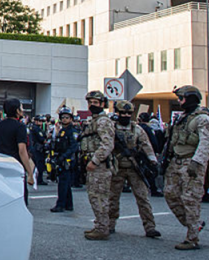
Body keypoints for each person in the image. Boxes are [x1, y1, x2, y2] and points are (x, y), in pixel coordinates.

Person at [162, 86, 209, 249]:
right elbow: (172, 139)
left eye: (182, 98)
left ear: (191, 98)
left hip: (191, 162)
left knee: (190, 199)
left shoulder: (202, 119)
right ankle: (194, 224)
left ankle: (192, 238)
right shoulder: (182, 118)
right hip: (176, 161)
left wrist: (197, 162)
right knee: (169, 193)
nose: (179, 101)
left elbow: (207, 142)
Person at [108, 100, 160, 238]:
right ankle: (110, 224)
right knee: (112, 198)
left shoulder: (137, 129)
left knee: (143, 198)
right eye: (122, 113)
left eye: (128, 113)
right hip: (117, 167)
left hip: (134, 167)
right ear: (117, 113)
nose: (125, 115)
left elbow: (146, 145)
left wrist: (153, 161)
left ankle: (150, 227)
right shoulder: (111, 128)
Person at [81, 90, 116, 241]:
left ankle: (102, 228)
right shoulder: (94, 120)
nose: (92, 105)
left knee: (99, 197)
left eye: (95, 103)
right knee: (95, 196)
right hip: (94, 164)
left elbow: (107, 144)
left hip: (100, 166)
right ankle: (100, 224)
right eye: (90, 102)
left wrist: (94, 161)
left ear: (102, 104)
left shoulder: (103, 121)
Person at [0, 98, 36, 204]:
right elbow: (22, 150)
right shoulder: (20, 127)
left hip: (0, 164)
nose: (22, 110)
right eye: (21, 108)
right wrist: (30, 173)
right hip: (15, 165)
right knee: (18, 197)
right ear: (17, 111)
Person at [50, 107, 80, 212]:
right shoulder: (62, 131)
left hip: (67, 160)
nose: (64, 119)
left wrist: (64, 157)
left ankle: (60, 205)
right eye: (62, 117)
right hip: (61, 158)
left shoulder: (72, 131)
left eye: (67, 117)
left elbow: (74, 147)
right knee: (65, 183)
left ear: (71, 119)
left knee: (63, 183)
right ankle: (68, 204)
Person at [138, 112, 164, 196]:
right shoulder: (148, 129)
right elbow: (153, 141)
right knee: (150, 171)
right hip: (146, 152)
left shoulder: (137, 128)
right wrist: (155, 151)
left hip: (139, 152)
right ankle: (152, 189)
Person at [29, 115, 49, 185]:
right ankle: (38, 179)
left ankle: (36, 178)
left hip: (36, 148)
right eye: (40, 121)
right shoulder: (36, 128)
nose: (41, 123)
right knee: (39, 164)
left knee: (37, 164)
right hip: (38, 149)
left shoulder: (35, 128)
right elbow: (42, 139)